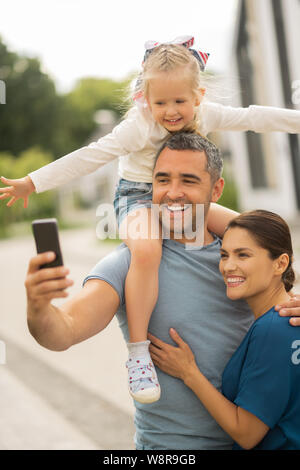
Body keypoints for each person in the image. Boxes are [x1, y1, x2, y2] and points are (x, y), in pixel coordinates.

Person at [5, 37, 300, 405]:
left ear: (199, 96)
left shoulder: (207, 114)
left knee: (255, 231)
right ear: (145, 98)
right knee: (146, 250)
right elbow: (91, 156)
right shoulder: (138, 127)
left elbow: (255, 116)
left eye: (180, 101)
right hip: (137, 197)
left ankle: (290, 298)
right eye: (160, 102)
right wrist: (33, 181)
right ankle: (139, 353)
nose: (171, 112)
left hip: (185, 201)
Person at [25, 132, 300, 450]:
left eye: (188, 180)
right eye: (162, 179)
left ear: (216, 189)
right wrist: (39, 308)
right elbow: (63, 332)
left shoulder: (240, 260)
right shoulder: (131, 265)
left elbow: (283, 285)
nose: (173, 193)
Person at [149, 209, 300, 450]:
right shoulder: (287, 322)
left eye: (243, 255)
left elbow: (246, 433)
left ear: (280, 263)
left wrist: (189, 372)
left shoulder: (273, 330)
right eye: (224, 255)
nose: (228, 266)